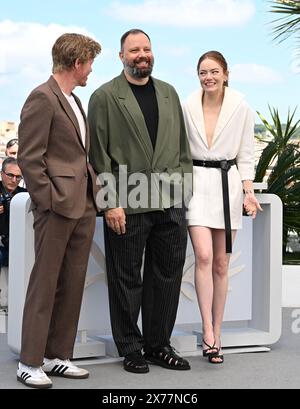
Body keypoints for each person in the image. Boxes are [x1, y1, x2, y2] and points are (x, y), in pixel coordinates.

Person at [88, 29, 193, 374]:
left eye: (146, 48)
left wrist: (182, 194)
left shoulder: (168, 92)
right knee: (126, 278)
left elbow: (182, 150)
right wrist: (109, 203)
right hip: (126, 203)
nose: (141, 54)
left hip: (170, 202)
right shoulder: (104, 97)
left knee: (167, 277)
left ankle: (158, 345)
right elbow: (97, 156)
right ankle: (131, 348)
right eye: (134, 50)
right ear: (121, 57)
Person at [17, 33, 101, 389]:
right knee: (45, 284)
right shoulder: (42, 97)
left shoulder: (74, 101)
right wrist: (47, 202)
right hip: (56, 208)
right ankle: (29, 362)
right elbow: (29, 157)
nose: (91, 70)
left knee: (72, 282)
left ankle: (57, 356)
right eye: (90, 63)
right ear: (77, 62)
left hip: (82, 204)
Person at [182, 51, 262, 364]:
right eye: (203, 72)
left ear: (226, 73)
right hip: (197, 186)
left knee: (220, 264)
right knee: (202, 256)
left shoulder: (241, 105)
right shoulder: (187, 104)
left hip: (228, 187)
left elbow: (246, 152)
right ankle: (207, 331)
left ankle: (219, 329)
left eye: (214, 71)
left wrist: (248, 190)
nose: (208, 77)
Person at [0, 158, 26, 307]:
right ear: (2, 174)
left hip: (19, 248)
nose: (14, 180)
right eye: (10, 175)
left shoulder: (25, 195)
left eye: (18, 177)